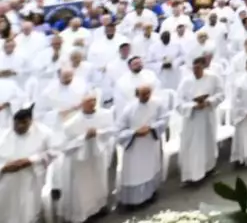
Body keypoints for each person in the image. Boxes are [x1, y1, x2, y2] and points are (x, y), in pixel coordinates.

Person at [56, 91, 116, 223]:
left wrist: (98, 133)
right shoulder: (71, 124)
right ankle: (81, 215)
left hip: (97, 156)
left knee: (99, 182)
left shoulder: (105, 115)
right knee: (81, 190)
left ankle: (99, 208)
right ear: (81, 104)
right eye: (89, 102)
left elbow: (111, 130)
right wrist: (84, 137)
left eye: (94, 100)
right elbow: (64, 146)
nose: (92, 104)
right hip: (80, 162)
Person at [0, 105, 61, 223]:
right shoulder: (3, 136)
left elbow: (55, 151)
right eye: (16, 123)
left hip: (31, 177)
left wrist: (30, 160)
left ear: (31, 121)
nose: (19, 127)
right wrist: (4, 167)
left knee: (27, 209)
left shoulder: (44, 133)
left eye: (23, 123)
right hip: (7, 179)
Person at [116, 84, 169, 208]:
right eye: (143, 94)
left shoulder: (158, 104)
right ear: (136, 95)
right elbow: (119, 130)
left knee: (150, 169)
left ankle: (150, 194)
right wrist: (134, 133)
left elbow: (164, 119)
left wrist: (151, 128)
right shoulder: (129, 109)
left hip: (150, 142)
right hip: (135, 147)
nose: (146, 96)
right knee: (135, 174)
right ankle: (133, 201)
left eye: (148, 93)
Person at [175, 55, 224, 184]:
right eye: (194, 68)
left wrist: (209, 101)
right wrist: (193, 106)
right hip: (192, 119)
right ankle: (192, 175)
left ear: (203, 66)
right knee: (192, 146)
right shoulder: (186, 82)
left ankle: (208, 168)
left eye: (199, 67)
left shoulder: (213, 78)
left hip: (207, 116)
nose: (196, 70)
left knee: (208, 142)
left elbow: (221, 94)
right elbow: (178, 103)